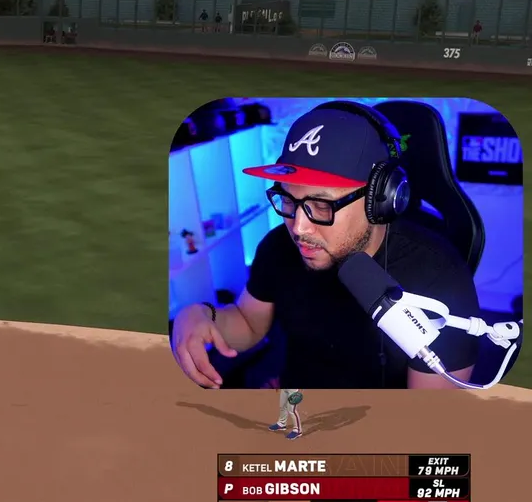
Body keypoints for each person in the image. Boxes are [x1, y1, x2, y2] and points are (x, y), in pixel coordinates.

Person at [170, 101, 480, 391]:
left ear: (380, 200)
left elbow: (426, 416)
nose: (299, 228)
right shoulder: (278, 247)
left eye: (321, 205)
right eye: (288, 200)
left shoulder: (439, 281)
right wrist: (201, 315)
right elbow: (249, 323)